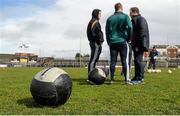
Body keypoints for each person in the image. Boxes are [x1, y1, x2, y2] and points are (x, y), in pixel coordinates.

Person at [106, 3, 133, 84]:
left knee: (113, 61)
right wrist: (129, 39)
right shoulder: (125, 16)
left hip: (112, 42)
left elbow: (107, 32)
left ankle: (111, 79)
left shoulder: (109, 18)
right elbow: (130, 27)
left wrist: (109, 42)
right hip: (122, 41)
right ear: (122, 8)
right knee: (124, 61)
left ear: (115, 8)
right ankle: (127, 79)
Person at [130, 7, 150, 84]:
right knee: (136, 60)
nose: (129, 14)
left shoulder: (140, 19)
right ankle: (136, 76)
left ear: (134, 12)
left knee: (139, 60)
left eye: (130, 12)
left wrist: (143, 45)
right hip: (136, 43)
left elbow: (143, 32)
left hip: (139, 44)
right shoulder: (135, 19)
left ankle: (140, 78)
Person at [87, 9, 104, 81]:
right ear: (96, 14)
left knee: (94, 59)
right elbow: (95, 33)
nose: (100, 15)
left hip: (94, 42)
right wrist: (99, 41)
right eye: (99, 14)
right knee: (93, 60)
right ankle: (91, 77)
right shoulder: (94, 22)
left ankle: (92, 75)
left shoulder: (93, 21)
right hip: (95, 43)